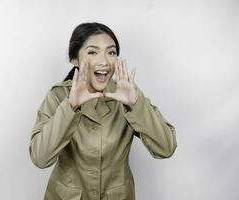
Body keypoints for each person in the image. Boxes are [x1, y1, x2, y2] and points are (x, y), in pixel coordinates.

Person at [29, 22, 177, 200]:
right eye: (92, 52)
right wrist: (70, 107)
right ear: (74, 59)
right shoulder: (58, 95)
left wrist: (136, 105)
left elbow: (166, 148)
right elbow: (40, 158)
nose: (104, 61)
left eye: (111, 52)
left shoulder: (127, 93)